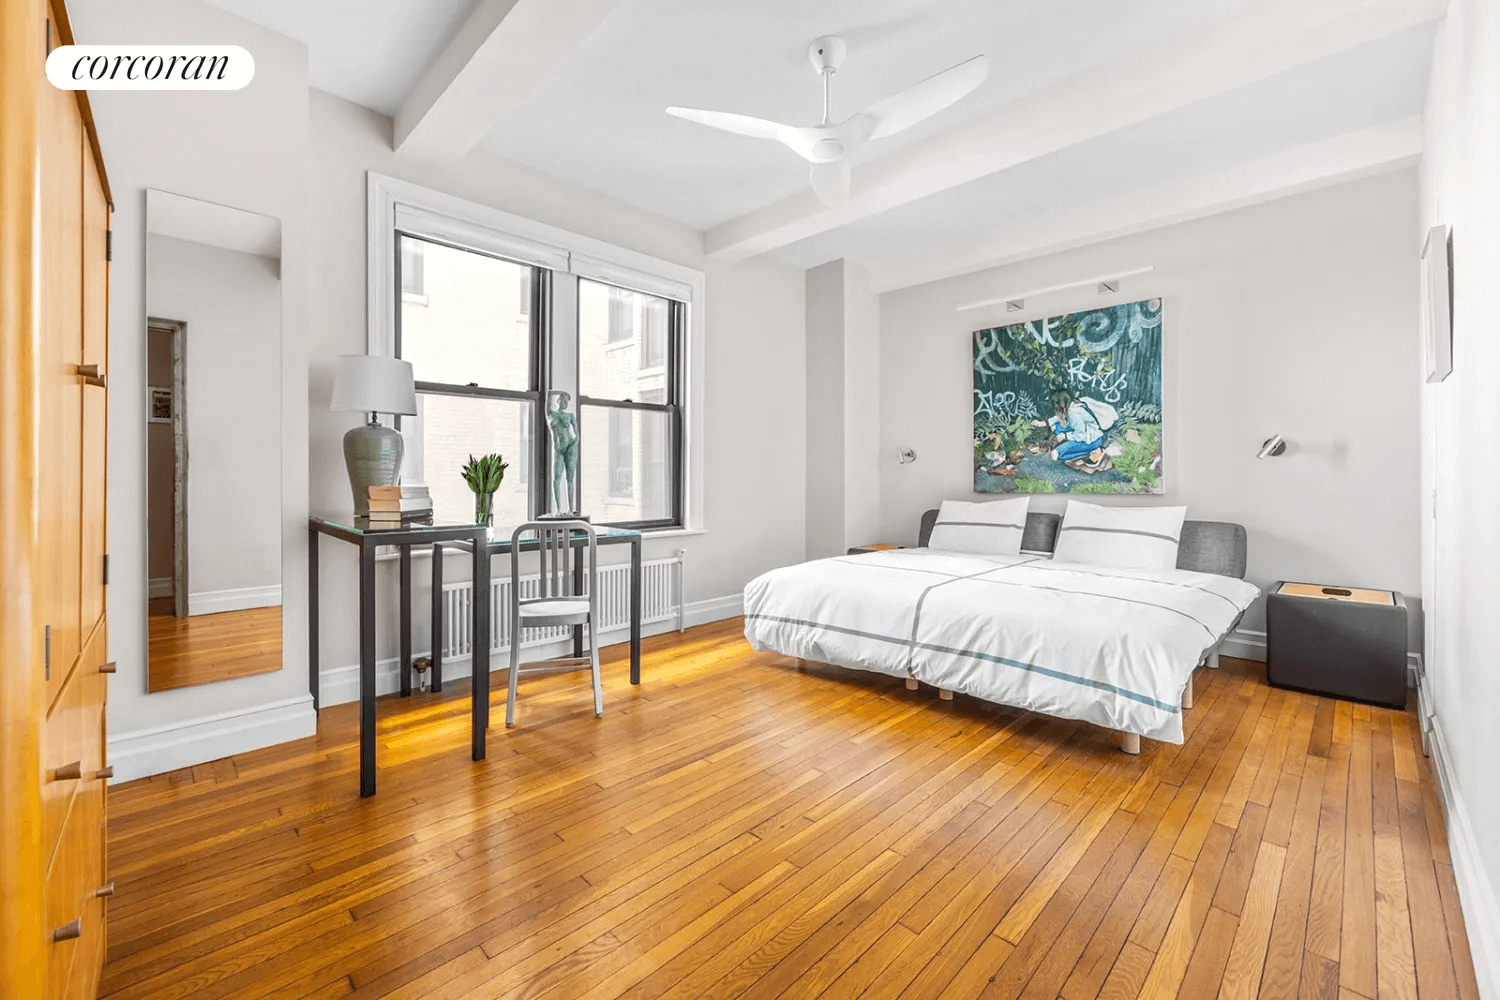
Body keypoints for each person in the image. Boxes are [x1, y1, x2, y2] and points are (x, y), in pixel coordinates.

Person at [1033, 386, 1112, 472]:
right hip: (1092, 432)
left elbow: (1081, 435)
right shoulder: (1074, 404)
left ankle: (1096, 450)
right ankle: (1083, 450)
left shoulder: (1073, 414)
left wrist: (1065, 436)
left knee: (1055, 454)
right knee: (1055, 428)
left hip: (1093, 440)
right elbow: (1058, 418)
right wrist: (1042, 423)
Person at [547, 389, 578, 513]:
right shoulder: (551, 414)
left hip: (570, 446)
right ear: (558, 400)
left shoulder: (570, 416)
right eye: (563, 400)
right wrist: (561, 391)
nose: (565, 403)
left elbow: (577, 435)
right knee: (556, 478)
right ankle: (558, 509)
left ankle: (571, 509)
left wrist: (574, 445)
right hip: (558, 448)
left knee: (570, 479)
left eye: (567, 401)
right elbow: (548, 394)